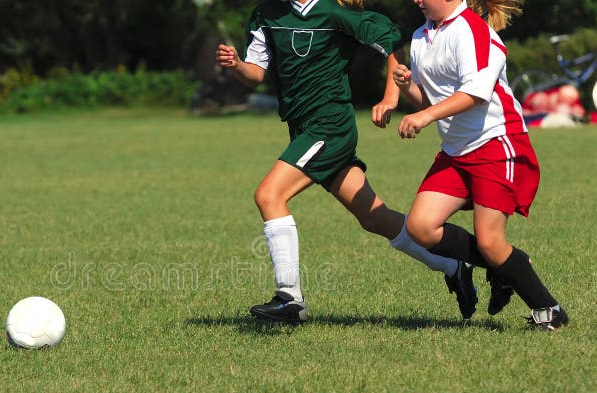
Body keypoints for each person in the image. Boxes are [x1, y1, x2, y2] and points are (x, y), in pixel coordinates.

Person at [215, 0, 478, 324]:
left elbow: (392, 38)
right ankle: (454, 267)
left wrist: (390, 97)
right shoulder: (265, 13)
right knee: (374, 218)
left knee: (269, 195)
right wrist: (237, 64)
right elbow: (255, 75)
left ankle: (289, 298)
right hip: (303, 130)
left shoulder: (334, 11)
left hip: (330, 128)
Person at [393, 0, 568, 330]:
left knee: (489, 241)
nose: (416, 0)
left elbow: (476, 93)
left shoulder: (472, 30)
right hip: (456, 151)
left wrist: (425, 116)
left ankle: (550, 311)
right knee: (421, 227)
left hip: (496, 142)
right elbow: (432, 100)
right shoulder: (421, 36)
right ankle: (505, 265)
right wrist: (409, 89)